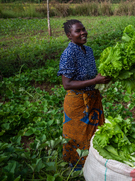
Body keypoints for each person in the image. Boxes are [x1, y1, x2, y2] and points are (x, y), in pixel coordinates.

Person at [57, 19, 111, 170]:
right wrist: (95, 80)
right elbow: (66, 84)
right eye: (78, 31)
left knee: (95, 133)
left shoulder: (89, 50)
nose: (83, 33)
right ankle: (76, 168)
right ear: (69, 35)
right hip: (77, 103)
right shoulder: (68, 53)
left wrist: (102, 78)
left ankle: (93, 165)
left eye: (83, 29)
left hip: (92, 99)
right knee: (77, 136)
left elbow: (91, 76)